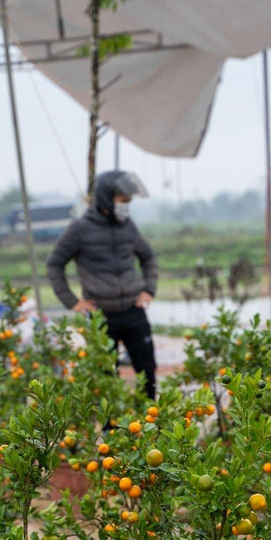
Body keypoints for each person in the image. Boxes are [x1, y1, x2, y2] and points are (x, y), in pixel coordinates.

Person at [47, 170, 159, 400]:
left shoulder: (128, 226)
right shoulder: (79, 229)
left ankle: (152, 418)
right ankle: (111, 428)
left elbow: (147, 257)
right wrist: (72, 302)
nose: (127, 206)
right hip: (100, 315)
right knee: (106, 374)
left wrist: (149, 289)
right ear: (108, 197)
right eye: (123, 200)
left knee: (147, 367)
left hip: (133, 310)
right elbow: (54, 265)